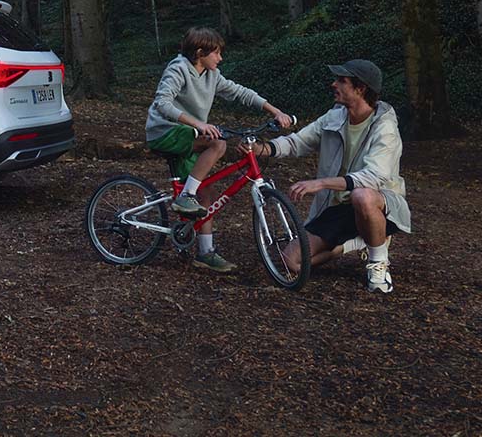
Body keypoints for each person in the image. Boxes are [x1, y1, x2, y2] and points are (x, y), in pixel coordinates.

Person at [252, 59, 410, 294]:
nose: (333, 84)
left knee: (362, 196)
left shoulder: (385, 127)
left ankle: (377, 263)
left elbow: (373, 177)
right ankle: (355, 243)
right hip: (337, 208)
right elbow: (299, 142)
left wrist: (321, 183)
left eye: (341, 81)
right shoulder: (335, 116)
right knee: (290, 262)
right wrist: (264, 149)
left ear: (360, 88)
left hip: (381, 203)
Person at [145, 27, 293, 273]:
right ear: (200, 52)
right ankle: (185, 197)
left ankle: (205, 253)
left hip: (188, 134)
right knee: (218, 142)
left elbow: (239, 92)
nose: (220, 58)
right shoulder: (178, 68)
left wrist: (275, 111)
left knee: (208, 193)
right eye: (216, 53)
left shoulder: (212, 75)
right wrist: (199, 124)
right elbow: (162, 103)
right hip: (165, 132)